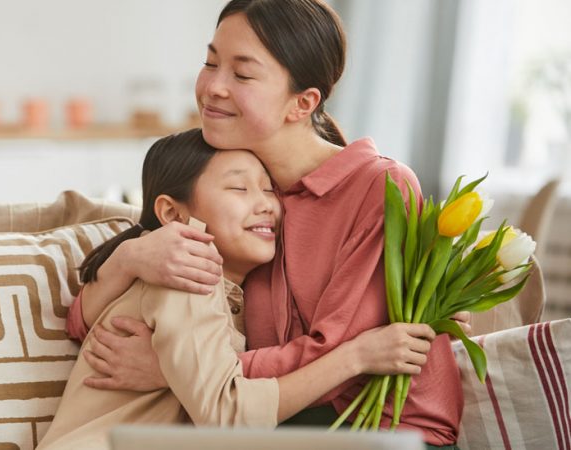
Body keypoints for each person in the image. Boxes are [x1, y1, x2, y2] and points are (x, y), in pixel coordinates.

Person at [65, 0, 464, 448]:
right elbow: (85, 327)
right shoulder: (232, 180)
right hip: (273, 417)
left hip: (377, 426)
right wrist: (130, 258)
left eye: (242, 74)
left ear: (303, 103)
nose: (213, 87)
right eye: (210, 62)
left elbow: (339, 352)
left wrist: (183, 371)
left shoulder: (379, 188)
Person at [38, 129, 435, 450]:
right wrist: (358, 356)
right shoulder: (188, 274)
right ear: (173, 213)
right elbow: (227, 416)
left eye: (268, 190)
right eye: (239, 189)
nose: (266, 205)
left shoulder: (236, 290)